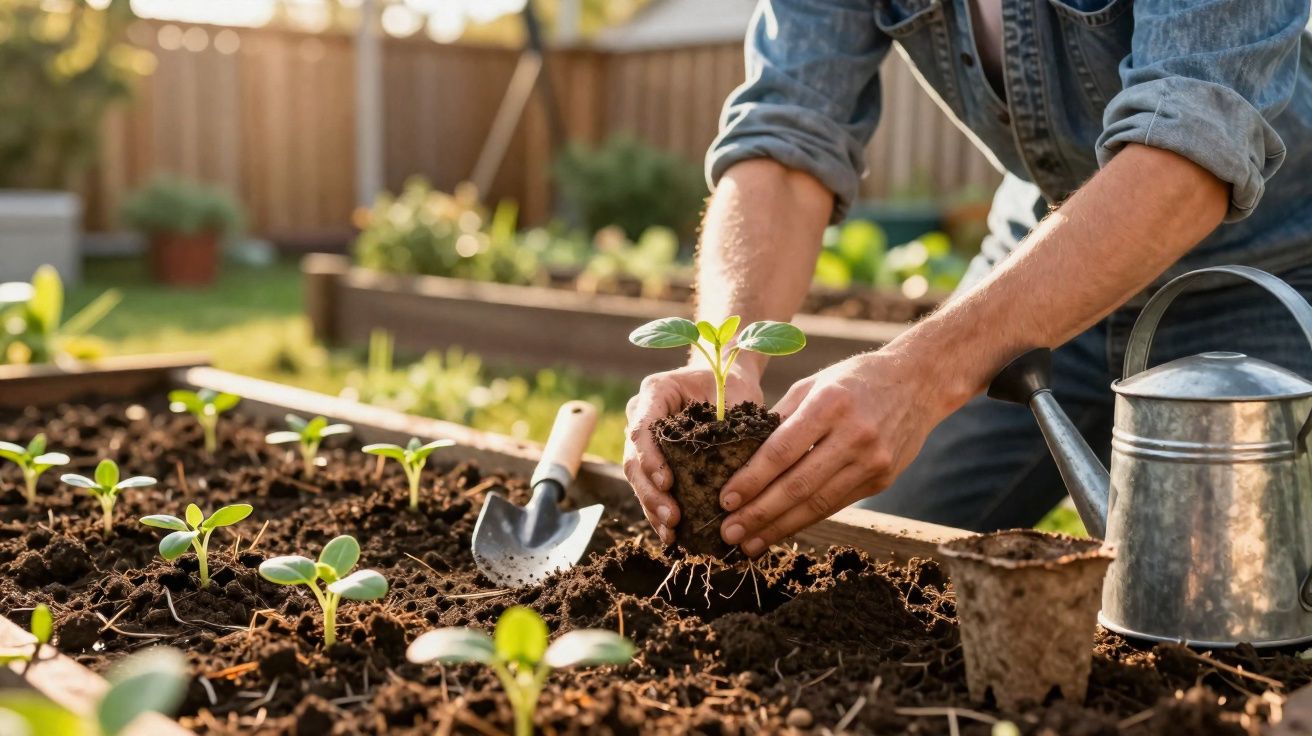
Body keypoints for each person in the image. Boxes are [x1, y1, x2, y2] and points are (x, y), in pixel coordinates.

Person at [622, 0, 1312, 554]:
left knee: (1233, 614)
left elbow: (1189, 152)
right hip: (1039, 269)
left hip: (1267, 275)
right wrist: (729, 358)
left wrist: (919, 377)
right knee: (876, 545)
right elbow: (786, 137)